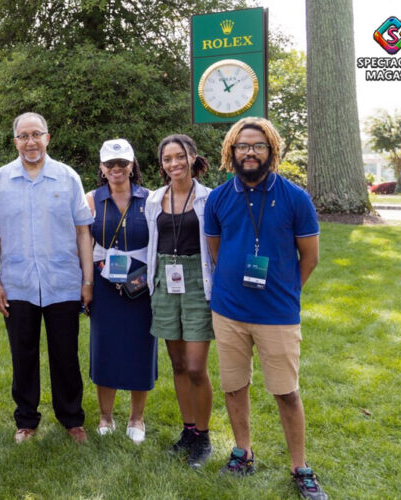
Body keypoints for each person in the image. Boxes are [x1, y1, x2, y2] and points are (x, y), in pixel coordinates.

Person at [204, 117, 326, 499]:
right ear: (231, 152)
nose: (250, 152)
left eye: (257, 145)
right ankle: (243, 452)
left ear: (271, 150)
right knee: (234, 386)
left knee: (286, 391)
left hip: (277, 315)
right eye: (242, 146)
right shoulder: (219, 198)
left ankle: (300, 467)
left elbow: (310, 258)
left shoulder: (295, 198)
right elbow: (216, 252)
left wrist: (285, 291)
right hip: (228, 312)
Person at [0, 112, 94, 444]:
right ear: (15, 141)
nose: (30, 141)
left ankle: (72, 420)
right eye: (23, 135)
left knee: (65, 355)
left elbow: (83, 232)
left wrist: (87, 281)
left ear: (48, 137)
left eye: (36, 134)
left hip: (62, 283)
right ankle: (26, 421)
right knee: (23, 354)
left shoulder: (67, 177)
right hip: (17, 283)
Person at [145, 134, 215, 468]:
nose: (174, 164)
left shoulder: (208, 199)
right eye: (167, 159)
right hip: (165, 280)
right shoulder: (155, 200)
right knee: (176, 364)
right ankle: (188, 430)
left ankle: (204, 436)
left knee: (196, 366)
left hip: (197, 283)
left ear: (192, 157)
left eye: (179, 156)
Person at [86, 139, 155, 445]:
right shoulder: (91, 199)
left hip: (141, 285)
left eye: (122, 164)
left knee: (141, 348)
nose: (116, 169)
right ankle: (105, 416)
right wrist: (87, 282)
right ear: (102, 167)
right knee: (105, 347)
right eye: (110, 164)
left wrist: (148, 278)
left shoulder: (150, 199)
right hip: (103, 281)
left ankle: (136, 418)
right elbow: (83, 244)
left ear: (132, 165)